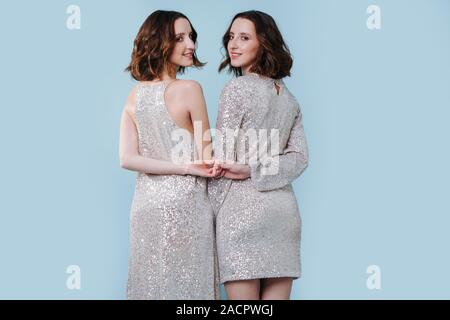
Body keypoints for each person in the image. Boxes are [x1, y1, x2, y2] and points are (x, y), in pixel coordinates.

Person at [208, 10, 309, 300]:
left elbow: (222, 160)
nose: (233, 44)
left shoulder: (236, 89)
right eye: (230, 37)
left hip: (241, 213)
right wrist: (257, 168)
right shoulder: (289, 98)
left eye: (244, 37)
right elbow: (300, 157)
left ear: (263, 43)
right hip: (283, 213)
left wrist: (207, 216)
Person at [120, 10, 220, 299]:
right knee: (189, 290)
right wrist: (189, 168)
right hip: (186, 205)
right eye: (180, 38)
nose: (191, 45)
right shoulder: (190, 89)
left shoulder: (134, 95)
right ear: (159, 42)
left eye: (192, 36)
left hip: (145, 207)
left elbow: (127, 158)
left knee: (151, 286)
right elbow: (207, 156)